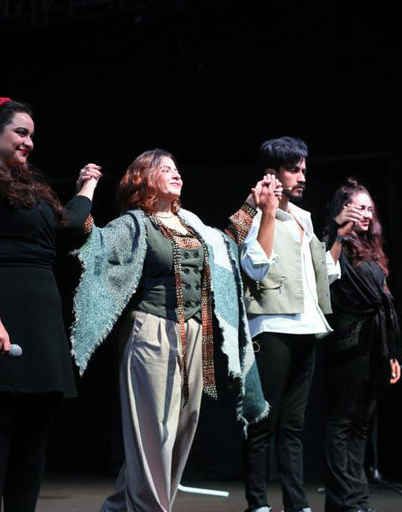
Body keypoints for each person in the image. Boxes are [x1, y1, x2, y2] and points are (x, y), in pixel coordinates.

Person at [69, 148, 270, 512]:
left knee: (180, 431)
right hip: (151, 332)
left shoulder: (190, 223)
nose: (177, 174)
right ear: (144, 179)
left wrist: (252, 205)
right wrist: (87, 187)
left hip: (194, 336)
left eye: (177, 169)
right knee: (154, 435)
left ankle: (120, 507)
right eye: (166, 170)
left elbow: (225, 244)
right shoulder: (135, 224)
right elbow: (89, 239)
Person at [0, 97, 102, 512]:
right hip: (3, 315)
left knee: (35, 431)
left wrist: (86, 186)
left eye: (32, 135)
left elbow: (70, 223)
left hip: (40, 323)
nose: (29, 142)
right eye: (20, 132)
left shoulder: (31, 192)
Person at [231, 136, 341, 512]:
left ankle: (297, 503)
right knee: (262, 422)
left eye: (304, 169)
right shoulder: (250, 215)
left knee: (293, 425)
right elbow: (254, 267)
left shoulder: (303, 217)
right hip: (272, 327)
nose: (302, 176)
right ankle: (258, 503)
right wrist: (265, 212)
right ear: (272, 173)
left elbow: (320, 273)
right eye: (294, 169)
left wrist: (339, 237)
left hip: (307, 327)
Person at [323, 177, 402, 512]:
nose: (367, 214)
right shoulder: (333, 243)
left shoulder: (372, 251)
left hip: (374, 346)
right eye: (360, 207)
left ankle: (357, 498)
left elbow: (385, 304)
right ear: (344, 209)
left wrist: (391, 353)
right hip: (347, 344)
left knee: (361, 425)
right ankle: (342, 501)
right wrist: (338, 232)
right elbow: (324, 276)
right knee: (342, 424)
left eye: (370, 208)